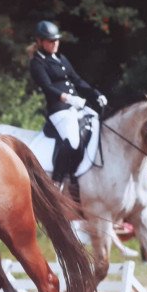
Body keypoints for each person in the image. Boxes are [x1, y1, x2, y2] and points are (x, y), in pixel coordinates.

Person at [29, 20, 108, 183]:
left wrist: (96, 94)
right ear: (39, 41)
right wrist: (69, 98)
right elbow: (48, 87)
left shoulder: (61, 58)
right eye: (51, 41)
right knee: (72, 142)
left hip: (76, 107)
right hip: (59, 110)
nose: (55, 43)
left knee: (99, 127)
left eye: (57, 40)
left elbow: (77, 80)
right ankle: (56, 182)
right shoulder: (37, 63)